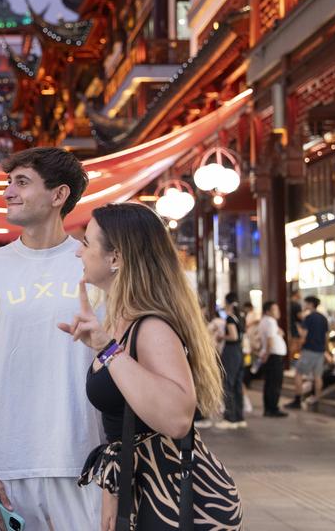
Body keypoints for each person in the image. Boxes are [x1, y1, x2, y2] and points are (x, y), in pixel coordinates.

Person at [0, 147, 104, 531]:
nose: (8, 192)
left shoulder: (91, 264)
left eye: (22, 182)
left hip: (86, 463)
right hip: (7, 470)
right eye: (8, 182)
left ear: (58, 195)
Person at [63, 203, 242, 529]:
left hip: (168, 496)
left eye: (87, 243)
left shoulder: (150, 328)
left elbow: (176, 419)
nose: (78, 251)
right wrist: (111, 490)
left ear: (115, 257)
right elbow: (120, 423)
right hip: (143, 490)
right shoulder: (123, 323)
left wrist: (106, 348)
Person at [287, 296, 328, 410]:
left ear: (310, 304)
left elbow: (303, 336)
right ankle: (317, 399)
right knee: (318, 376)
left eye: (305, 303)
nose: (304, 305)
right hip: (320, 351)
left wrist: (299, 341)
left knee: (298, 374)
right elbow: (326, 337)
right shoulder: (323, 318)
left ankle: (297, 400)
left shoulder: (308, 318)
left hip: (309, 350)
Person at [217, 292, 246, 429]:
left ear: (227, 302)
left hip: (231, 352)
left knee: (228, 383)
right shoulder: (240, 317)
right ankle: (239, 417)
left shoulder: (229, 318)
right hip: (239, 351)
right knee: (237, 385)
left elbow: (233, 336)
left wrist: (222, 336)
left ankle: (230, 418)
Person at [257, 301, 288, 417]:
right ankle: (272, 408)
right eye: (275, 309)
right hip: (273, 356)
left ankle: (269, 408)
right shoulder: (270, 322)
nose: (278, 312)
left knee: (270, 383)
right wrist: (268, 354)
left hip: (271, 356)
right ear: (268, 311)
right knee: (274, 384)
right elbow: (270, 340)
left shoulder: (266, 321)